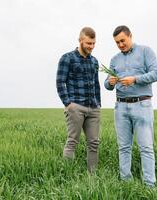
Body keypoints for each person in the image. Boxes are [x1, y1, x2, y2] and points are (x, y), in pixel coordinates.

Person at [104, 25, 157, 186]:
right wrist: (110, 81)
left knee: (146, 148)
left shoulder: (145, 51)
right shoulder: (114, 59)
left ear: (130, 36)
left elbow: (156, 73)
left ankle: (150, 186)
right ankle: (125, 183)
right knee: (123, 147)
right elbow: (107, 85)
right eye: (117, 42)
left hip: (142, 105)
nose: (120, 44)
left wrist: (135, 79)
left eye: (122, 40)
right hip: (120, 107)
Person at [56, 27, 101, 173]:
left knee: (94, 143)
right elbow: (60, 82)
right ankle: (67, 176)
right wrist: (68, 104)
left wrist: (98, 104)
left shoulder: (94, 61)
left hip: (93, 108)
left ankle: (92, 177)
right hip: (76, 106)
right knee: (72, 142)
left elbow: (96, 84)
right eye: (88, 43)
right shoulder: (67, 58)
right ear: (80, 40)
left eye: (93, 43)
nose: (91, 46)